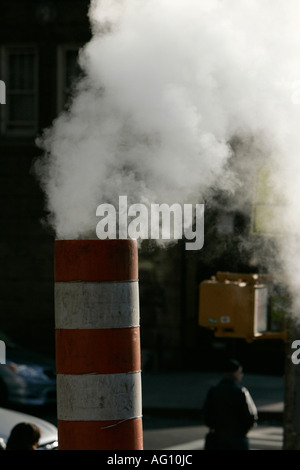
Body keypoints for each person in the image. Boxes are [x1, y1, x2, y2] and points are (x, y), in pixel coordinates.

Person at [203, 358, 258, 450]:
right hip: (238, 440)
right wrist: (242, 430)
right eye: (240, 372)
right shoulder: (242, 392)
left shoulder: (214, 391)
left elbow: (206, 414)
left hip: (218, 440)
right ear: (235, 373)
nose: (241, 375)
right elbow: (251, 416)